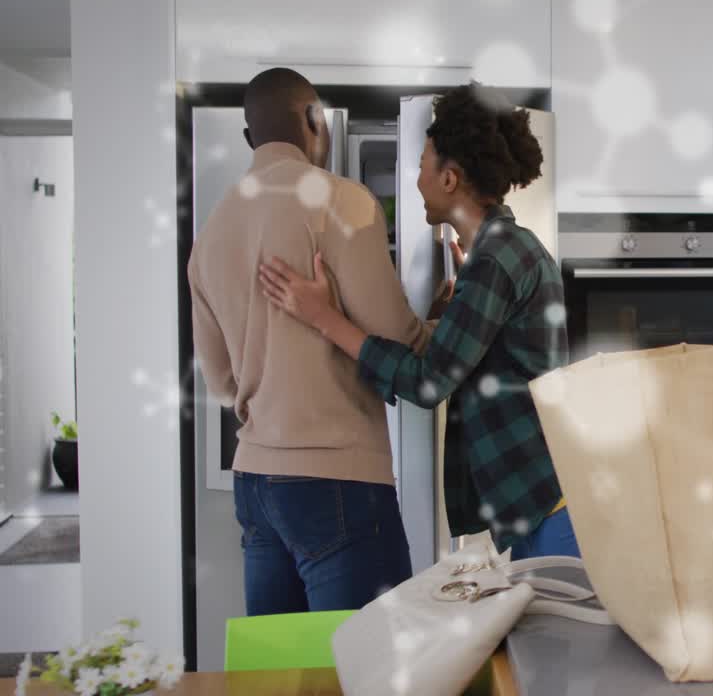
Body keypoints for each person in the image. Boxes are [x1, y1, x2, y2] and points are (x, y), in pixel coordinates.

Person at [258, 82, 579, 560]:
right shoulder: (499, 252)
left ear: (449, 179)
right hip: (543, 498)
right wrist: (442, 317)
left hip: (547, 509)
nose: (416, 179)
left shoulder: (496, 259)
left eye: (422, 165)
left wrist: (324, 318)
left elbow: (428, 385)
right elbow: (477, 359)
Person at [188, 68, 430, 615]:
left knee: (284, 670)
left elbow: (223, 383)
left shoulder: (211, 233)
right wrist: (444, 322)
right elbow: (398, 340)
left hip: (255, 484)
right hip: (338, 479)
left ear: (250, 139)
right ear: (314, 120)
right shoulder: (341, 200)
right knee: (372, 668)